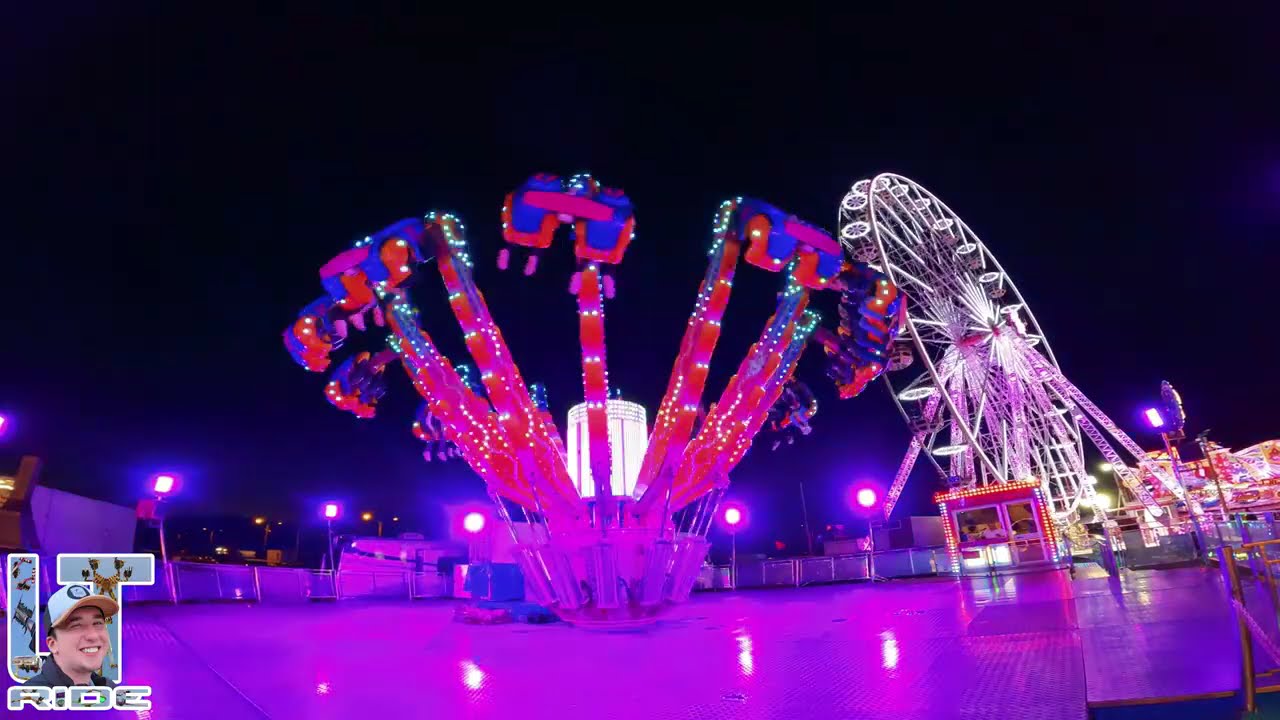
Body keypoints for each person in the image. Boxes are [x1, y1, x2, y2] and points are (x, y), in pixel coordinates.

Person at [23, 583, 119, 689]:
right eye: (76, 626)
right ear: (53, 644)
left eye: (98, 623)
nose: (93, 636)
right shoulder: (31, 698)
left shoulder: (112, 691)